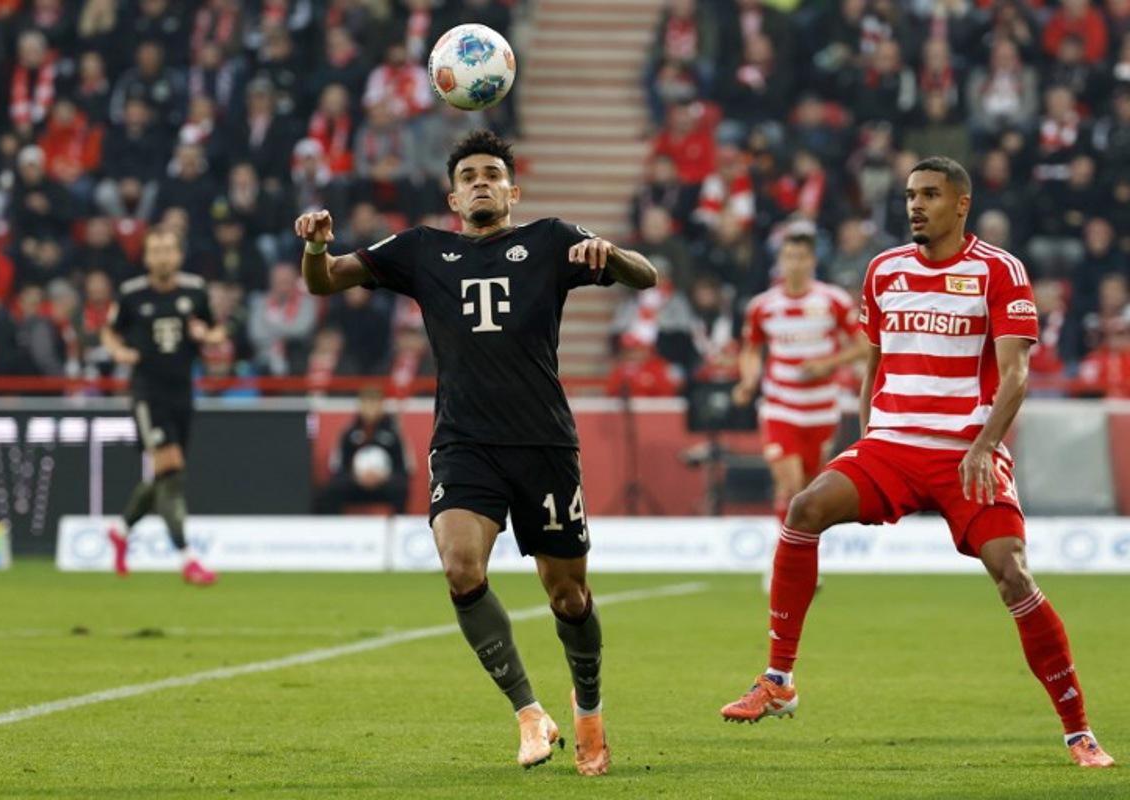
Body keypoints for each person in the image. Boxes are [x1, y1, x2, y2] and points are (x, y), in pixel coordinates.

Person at [719, 157, 1115, 769]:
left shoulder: (998, 270)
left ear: (961, 204)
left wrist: (985, 445)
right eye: (910, 195)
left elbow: (1016, 376)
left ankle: (1078, 730)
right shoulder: (883, 271)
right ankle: (778, 680)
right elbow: (872, 365)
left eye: (930, 194)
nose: (915, 205)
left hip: (966, 452)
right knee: (804, 508)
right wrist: (864, 440)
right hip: (892, 447)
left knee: (1012, 574)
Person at [294, 130, 659, 775]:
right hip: (463, 442)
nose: (482, 181)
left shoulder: (548, 240)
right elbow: (324, 283)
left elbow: (646, 275)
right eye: (470, 175)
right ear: (453, 196)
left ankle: (589, 710)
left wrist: (613, 254)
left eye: (493, 172)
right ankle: (528, 712)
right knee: (462, 568)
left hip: (544, 443)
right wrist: (317, 246)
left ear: (513, 191)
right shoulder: (420, 251)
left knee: (567, 596)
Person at [733, 226, 868, 590]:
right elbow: (751, 349)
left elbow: (865, 346)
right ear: (781, 261)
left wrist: (829, 363)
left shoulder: (833, 301)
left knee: (808, 495)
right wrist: (747, 381)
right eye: (789, 256)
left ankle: (803, 562)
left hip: (821, 409)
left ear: (812, 261)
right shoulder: (763, 306)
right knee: (788, 484)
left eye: (802, 257)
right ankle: (780, 565)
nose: (795, 263)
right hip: (781, 407)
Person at [101, 228, 224, 586]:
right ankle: (187, 559)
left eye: (168, 249)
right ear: (146, 257)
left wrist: (207, 336)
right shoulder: (132, 294)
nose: (163, 257)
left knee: (166, 474)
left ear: (179, 255)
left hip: (182, 392)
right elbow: (109, 331)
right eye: (156, 250)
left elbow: (217, 332)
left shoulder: (195, 290)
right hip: (147, 392)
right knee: (171, 472)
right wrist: (119, 352)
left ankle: (121, 529)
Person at [316, 385, 410, 514]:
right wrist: (356, 477)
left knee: (401, 488)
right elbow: (338, 467)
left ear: (381, 406)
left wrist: (383, 477)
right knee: (332, 489)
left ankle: (399, 528)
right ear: (360, 406)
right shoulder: (349, 433)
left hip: (385, 485)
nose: (370, 409)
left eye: (374, 403)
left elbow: (405, 468)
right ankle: (334, 529)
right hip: (355, 484)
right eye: (367, 403)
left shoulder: (394, 434)